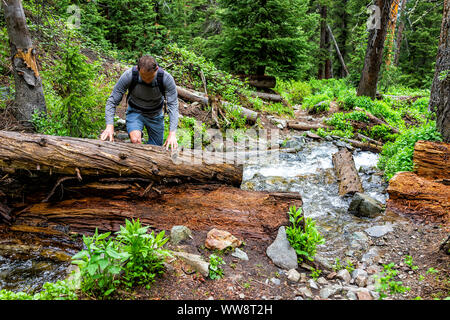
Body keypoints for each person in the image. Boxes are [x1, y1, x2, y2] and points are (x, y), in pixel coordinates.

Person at [100, 55, 178, 151]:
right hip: (135, 112)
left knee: (156, 148)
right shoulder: (129, 75)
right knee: (135, 140)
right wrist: (109, 126)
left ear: (156, 69)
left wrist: (172, 133)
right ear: (138, 69)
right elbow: (112, 101)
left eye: (150, 77)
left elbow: (173, 106)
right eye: (143, 77)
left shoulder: (166, 79)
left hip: (155, 115)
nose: (147, 80)